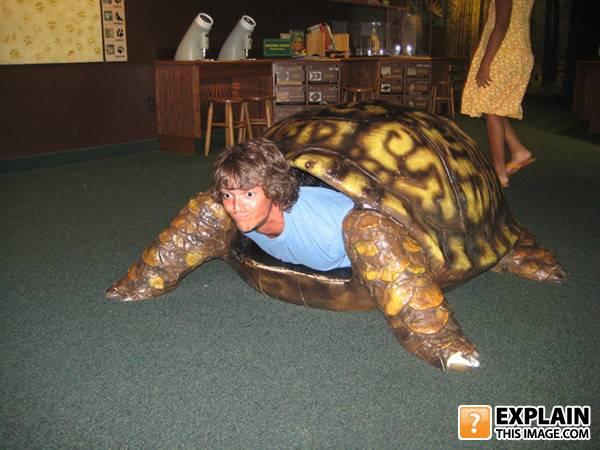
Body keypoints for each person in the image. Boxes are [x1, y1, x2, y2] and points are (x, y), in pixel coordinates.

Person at [461, 0, 536, 188]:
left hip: (503, 54)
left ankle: (499, 173)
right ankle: (518, 151)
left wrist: (485, 62)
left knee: (492, 112)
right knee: (495, 106)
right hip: (520, 50)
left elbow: (502, 24)